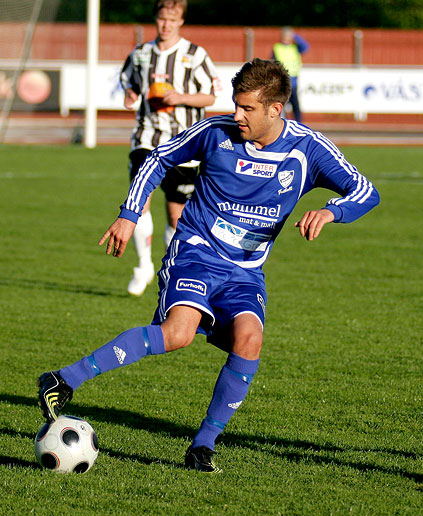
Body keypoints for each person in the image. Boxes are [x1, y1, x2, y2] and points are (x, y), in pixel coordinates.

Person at [38, 58, 379, 473]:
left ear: (275, 109)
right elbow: (159, 157)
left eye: (247, 109)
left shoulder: (308, 148)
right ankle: (64, 379)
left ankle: (202, 446)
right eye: (235, 105)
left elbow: (364, 190)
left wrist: (331, 211)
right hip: (196, 250)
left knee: (249, 338)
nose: (237, 115)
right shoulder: (217, 132)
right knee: (178, 334)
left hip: (246, 271)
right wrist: (130, 213)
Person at [120, 0, 222, 296]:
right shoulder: (141, 53)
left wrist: (180, 97)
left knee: (176, 215)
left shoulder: (195, 55)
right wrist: (130, 95)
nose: (166, 25)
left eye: (172, 20)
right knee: (139, 201)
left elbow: (211, 97)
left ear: (181, 22)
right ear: (156, 19)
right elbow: (128, 82)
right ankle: (142, 267)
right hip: (147, 139)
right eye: (162, 19)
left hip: (184, 144)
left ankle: (171, 267)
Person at [272, 26, 309, 123]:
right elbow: (273, 62)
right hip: (282, 80)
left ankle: (299, 123)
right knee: (281, 104)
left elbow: (306, 47)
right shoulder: (277, 47)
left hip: (293, 80)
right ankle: (281, 122)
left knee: (295, 105)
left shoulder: (295, 47)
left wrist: (295, 36)